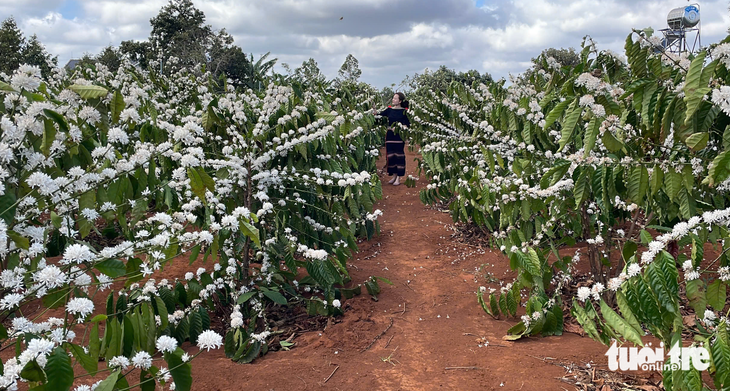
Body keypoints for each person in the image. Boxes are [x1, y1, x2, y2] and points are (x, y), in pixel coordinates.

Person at [373, 92, 410, 186]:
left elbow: (408, 124)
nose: (393, 100)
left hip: (399, 136)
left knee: (399, 155)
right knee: (391, 156)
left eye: (395, 98)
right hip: (390, 136)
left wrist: (400, 127)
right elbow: (379, 116)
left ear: (400, 101)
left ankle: (398, 177)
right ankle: (394, 176)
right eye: (393, 98)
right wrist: (374, 110)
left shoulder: (404, 112)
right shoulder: (389, 110)